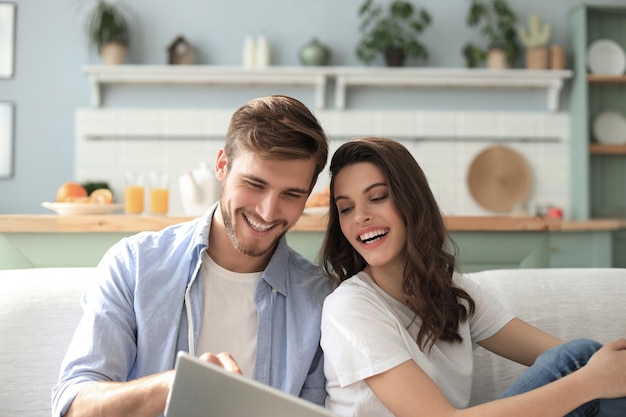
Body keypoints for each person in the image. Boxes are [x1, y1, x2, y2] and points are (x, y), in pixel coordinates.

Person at [52, 95, 333, 417]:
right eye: (254, 184)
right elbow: (75, 406)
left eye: (291, 194)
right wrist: (174, 386)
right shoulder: (135, 264)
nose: (267, 212)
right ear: (221, 166)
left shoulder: (320, 298)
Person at [319, 137, 626, 417]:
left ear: (411, 200)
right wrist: (589, 383)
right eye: (345, 208)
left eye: (378, 197)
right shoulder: (350, 307)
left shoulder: (451, 292)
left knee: (583, 357)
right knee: (579, 362)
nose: (360, 217)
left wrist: (599, 374)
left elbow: (565, 355)